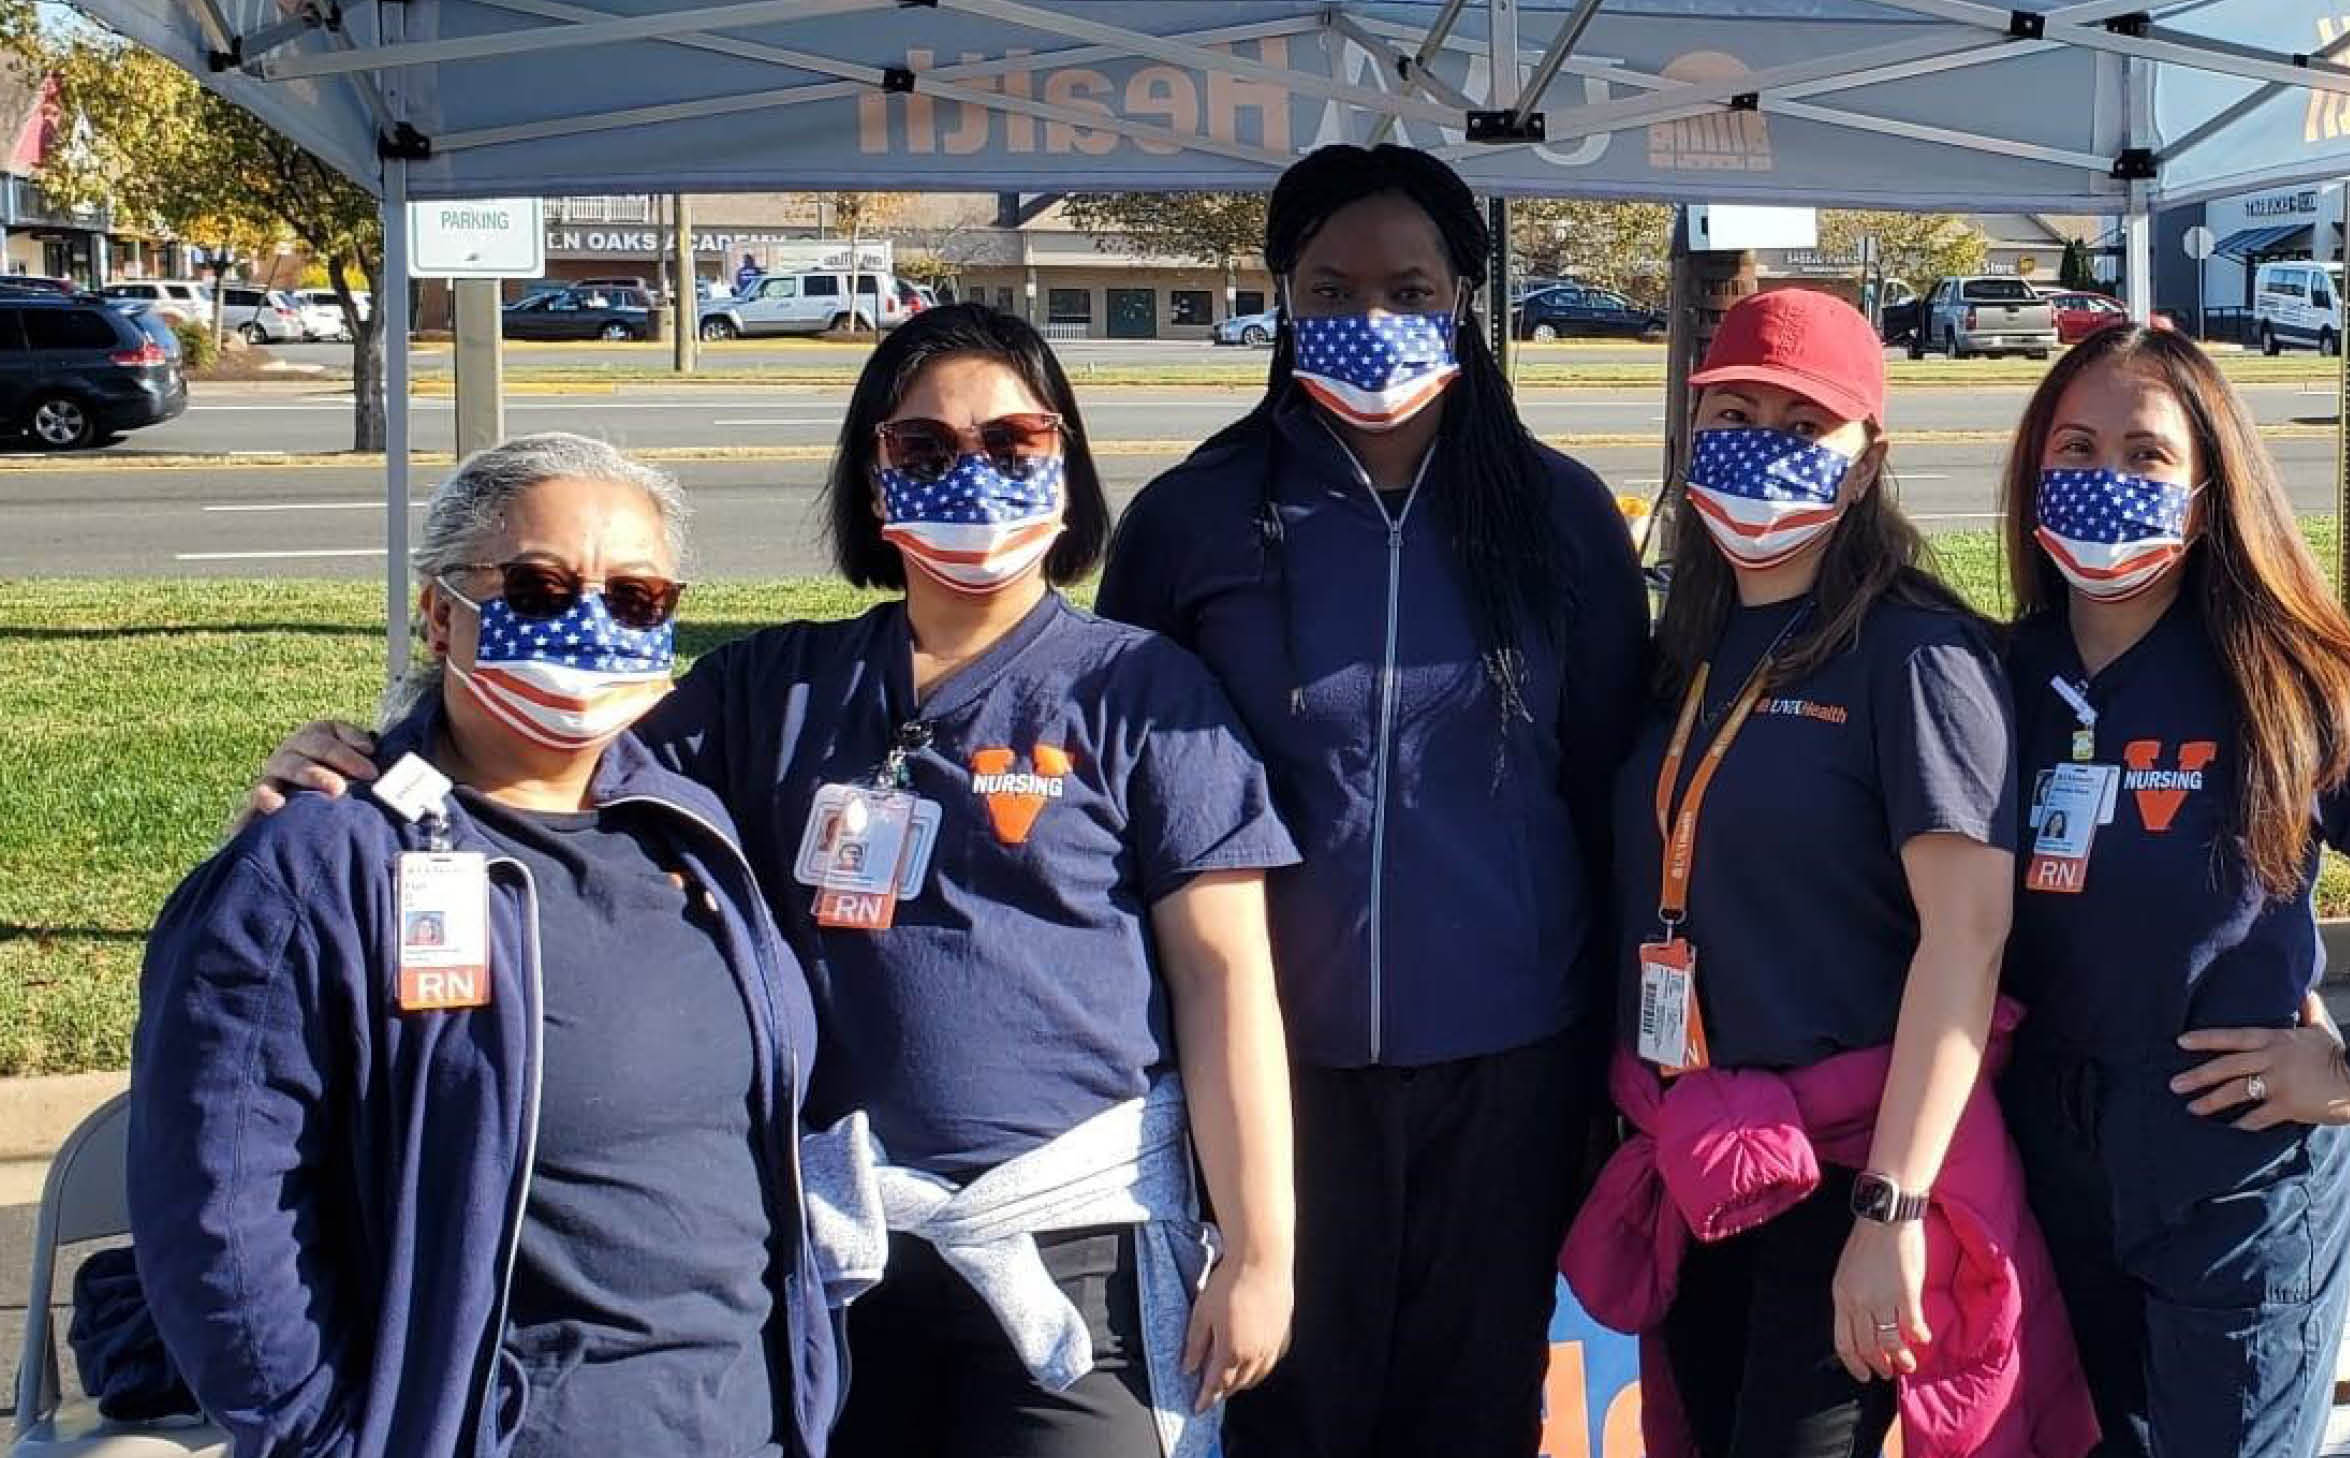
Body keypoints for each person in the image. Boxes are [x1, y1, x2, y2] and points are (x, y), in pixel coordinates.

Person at [242, 308, 1306, 1458]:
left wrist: (1256, 1252)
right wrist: (378, 761)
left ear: (1066, 460)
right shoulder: (774, 689)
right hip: (829, 1257)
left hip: (1072, 1251)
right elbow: (546, 747)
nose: (974, 472)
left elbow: (1225, 982)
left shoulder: (1146, 692)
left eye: (1013, 440)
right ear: (872, 475)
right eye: (925, 447)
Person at [1097, 143, 1649, 1458]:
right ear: (1283, 296)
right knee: (1298, 1416)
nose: (1370, 319)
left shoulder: (1562, 516)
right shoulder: (1191, 519)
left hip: (1510, 1066)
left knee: (1473, 1418)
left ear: (1465, 293)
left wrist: (1617, 1062)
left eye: (1408, 286)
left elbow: (1610, 791)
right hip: (1276, 1075)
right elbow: (1127, 816)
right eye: (1332, 288)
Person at [137, 434, 843, 1458]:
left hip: (747, 1426)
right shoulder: (321, 863)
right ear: (436, 613)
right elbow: (219, 1218)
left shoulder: (687, 825)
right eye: (539, 586)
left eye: (636, 598)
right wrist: (328, 1442)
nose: (591, 624)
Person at [1993, 327, 2350, 1458]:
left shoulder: (2281, 677)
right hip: (2048, 1162)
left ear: (2206, 492)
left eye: (2146, 457)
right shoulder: (1995, 675)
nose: (2107, 481)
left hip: (2234, 1175)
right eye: (2077, 447)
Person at [1557, 288, 2091, 1458]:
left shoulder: (1916, 655)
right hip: (1702, 1155)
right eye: (1736, 414)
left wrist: (1890, 1207)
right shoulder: (1687, 646)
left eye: (1805, 428)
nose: (1764, 447)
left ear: (1864, 466)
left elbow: (1968, 939)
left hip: (1846, 1169)